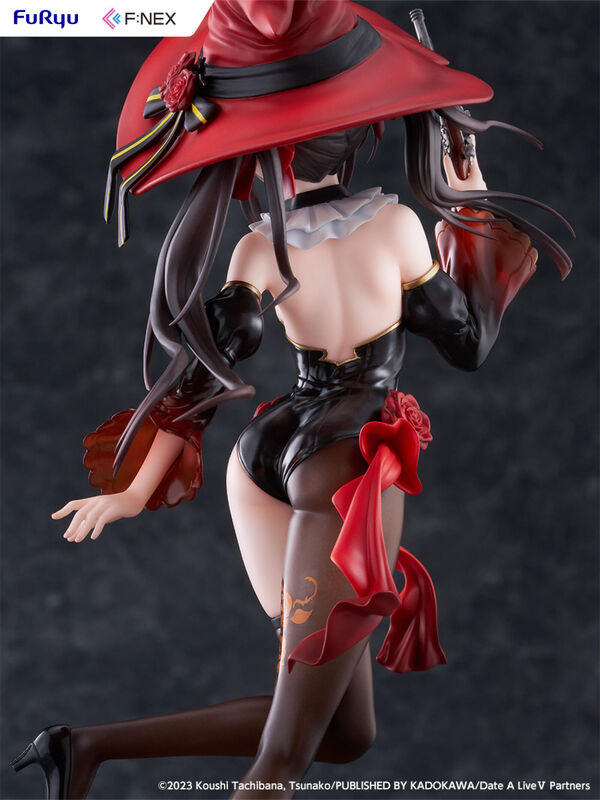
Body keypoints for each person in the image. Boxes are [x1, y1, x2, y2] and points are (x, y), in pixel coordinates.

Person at [10, 2, 571, 798]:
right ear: (359, 129)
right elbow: (469, 343)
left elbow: (201, 375)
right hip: (348, 465)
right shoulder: (397, 229)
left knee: (342, 732)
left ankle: (82, 747)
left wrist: (134, 492)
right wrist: (472, 202)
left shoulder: (257, 249)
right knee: (281, 762)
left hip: (265, 458)